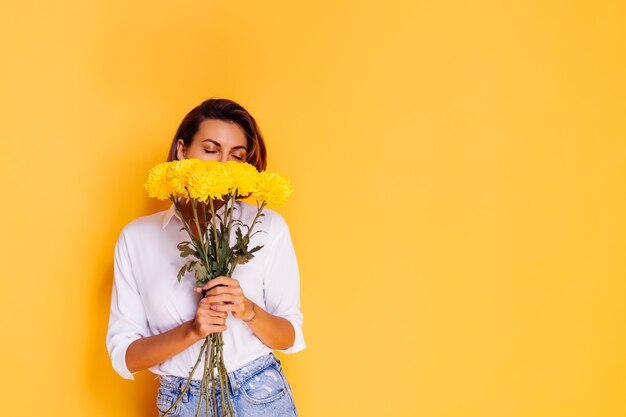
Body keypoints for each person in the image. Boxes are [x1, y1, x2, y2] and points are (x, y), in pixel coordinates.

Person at [105, 98, 306, 417]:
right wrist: (192, 331)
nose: (223, 165)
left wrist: (248, 309)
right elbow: (125, 355)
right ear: (182, 151)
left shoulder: (268, 226)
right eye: (211, 150)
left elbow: (290, 335)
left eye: (236, 156)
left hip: (260, 395)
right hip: (183, 400)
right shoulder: (137, 238)